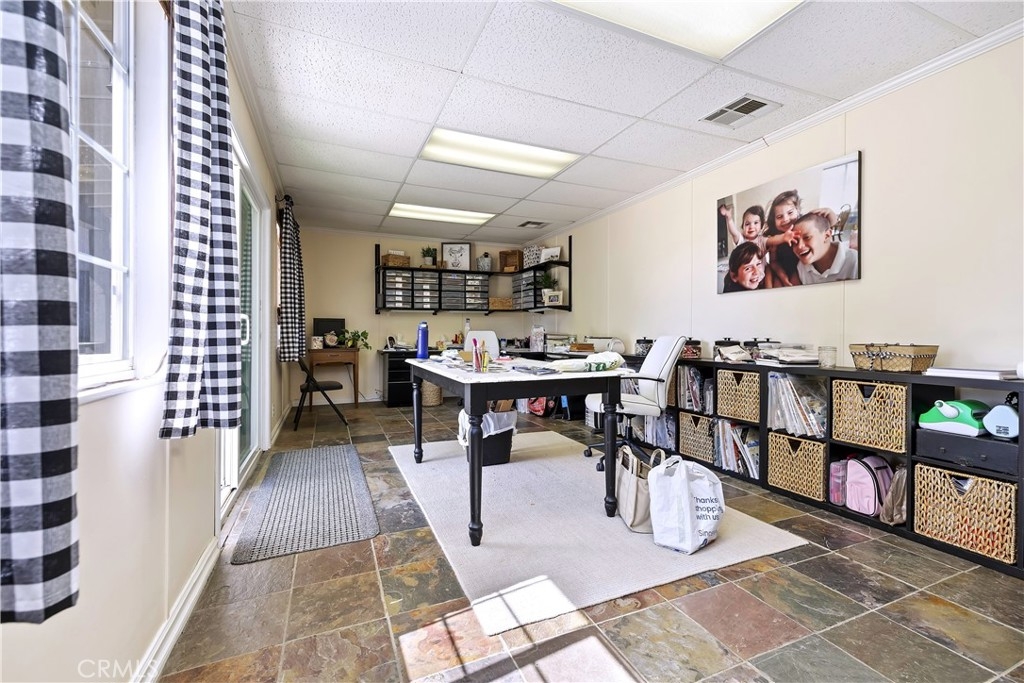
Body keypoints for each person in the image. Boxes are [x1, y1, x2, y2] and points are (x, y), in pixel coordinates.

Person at [790, 212, 859, 284]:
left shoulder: (856, 262)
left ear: (827, 235)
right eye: (795, 241)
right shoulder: (802, 267)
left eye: (807, 237)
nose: (799, 246)